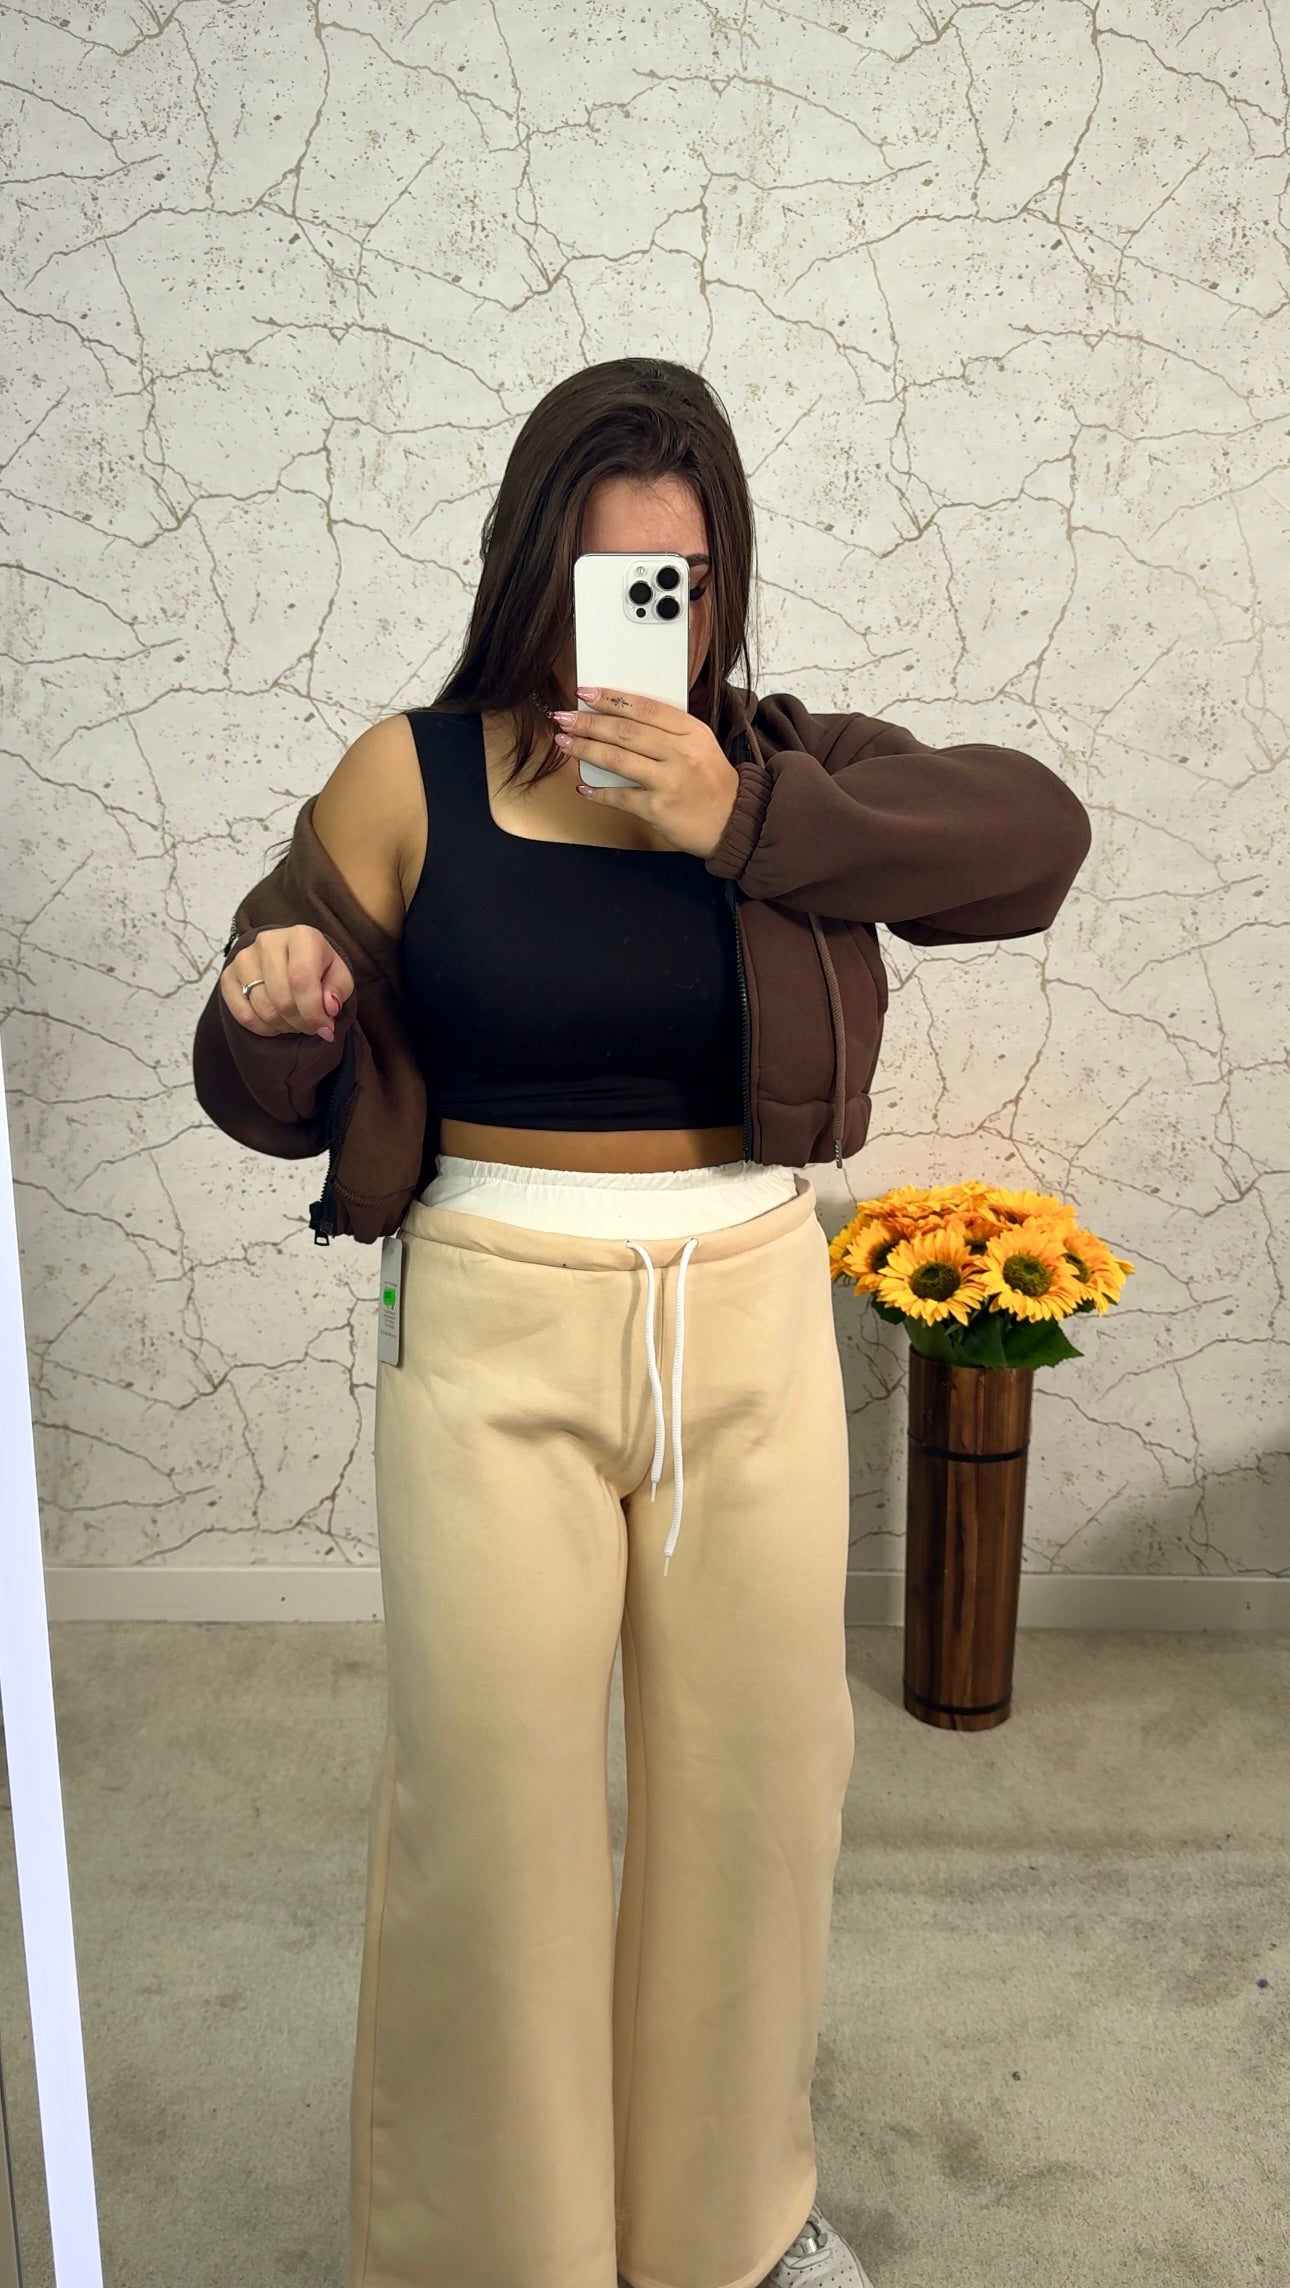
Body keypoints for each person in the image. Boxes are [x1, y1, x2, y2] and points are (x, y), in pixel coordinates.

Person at [212, 356, 1088, 2288]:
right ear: (528, 571)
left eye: (673, 587)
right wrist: (276, 1007)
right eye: (601, 581)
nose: (640, 628)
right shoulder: (411, 776)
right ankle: (486, 2256)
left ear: (721, 586)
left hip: (749, 1323)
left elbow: (1034, 842)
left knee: (759, 1803)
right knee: (495, 1822)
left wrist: (741, 817)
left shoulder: (790, 771)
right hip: (491, 1328)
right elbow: (261, 1059)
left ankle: (728, 2232)